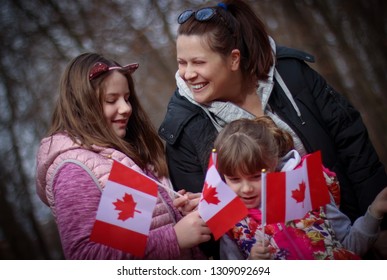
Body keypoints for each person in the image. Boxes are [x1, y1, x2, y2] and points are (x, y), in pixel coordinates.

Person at [158, 0, 387, 257]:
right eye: (182, 62)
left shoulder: (291, 74)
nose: (187, 74)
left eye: (198, 62)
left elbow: (353, 145)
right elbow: (214, 236)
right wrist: (201, 209)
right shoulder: (183, 126)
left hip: (350, 236)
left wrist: (377, 225)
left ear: (234, 59)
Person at [35, 52, 211, 260]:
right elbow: (85, 258)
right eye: (111, 100)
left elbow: (134, 232)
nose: (126, 108)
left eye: (127, 98)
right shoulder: (74, 171)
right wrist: (174, 238)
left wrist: (179, 211)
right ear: (81, 105)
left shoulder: (121, 155)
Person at [214, 116, 387, 259]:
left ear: (274, 161)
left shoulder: (308, 192)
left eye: (256, 176)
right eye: (234, 179)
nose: (246, 188)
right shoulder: (231, 224)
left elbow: (349, 247)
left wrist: (375, 213)